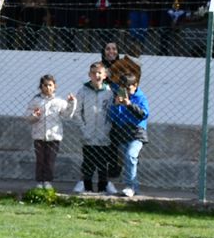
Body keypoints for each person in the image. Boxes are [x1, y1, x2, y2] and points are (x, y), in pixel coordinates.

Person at [75, 61, 118, 195]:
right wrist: (83, 128)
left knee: (102, 163)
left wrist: (107, 128)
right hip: (88, 133)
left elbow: (112, 112)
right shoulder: (83, 91)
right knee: (88, 162)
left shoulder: (109, 93)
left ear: (105, 75)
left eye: (100, 72)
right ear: (89, 75)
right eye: (94, 73)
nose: (97, 75)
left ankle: (102, 187)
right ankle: (87, 188)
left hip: (103, 134)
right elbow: (77, 112)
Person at [27, 74, 77, 190]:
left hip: (54, 137)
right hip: (39, 136)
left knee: (50, 160)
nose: (48, 88)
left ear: (55, 86)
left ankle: (47, 181)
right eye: (45, 85)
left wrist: (72, 103)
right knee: (40, 160)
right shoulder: (36, 100)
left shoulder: (59, 101)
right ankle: (40, 181)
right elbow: (28, 116)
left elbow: (67, 115)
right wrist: (34, 116)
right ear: (41, 87)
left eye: (50, 85)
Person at [108, 73, 148, 198]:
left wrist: (129, 104)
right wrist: (115, 105)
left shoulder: (140, 98)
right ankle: (134, 187)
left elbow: (143, 114)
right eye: (123, 88)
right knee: (128, 160)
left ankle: (130, 186)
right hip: (123, 133)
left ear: (135, 85)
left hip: (136, 133)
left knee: (131, 156)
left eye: (128, 88)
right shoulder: (119, 97)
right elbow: (112, 117)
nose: (126, 91)